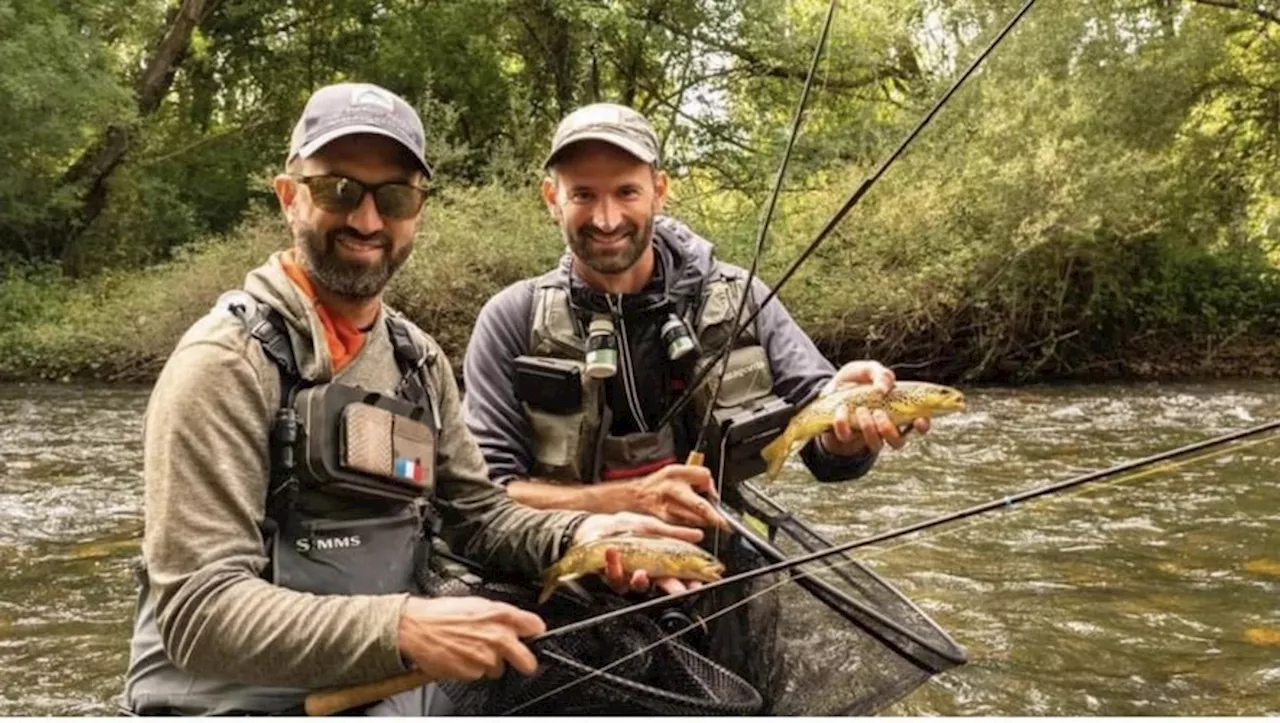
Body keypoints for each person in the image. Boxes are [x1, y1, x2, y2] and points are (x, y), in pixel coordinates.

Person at [120, 83, 706, 717]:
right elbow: (198, 612)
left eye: (393, 195)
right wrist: (405, 627)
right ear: (290, 198)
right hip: (234, 701)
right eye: (338, 190)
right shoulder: (224, 367)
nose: (367, 221)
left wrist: (583, 532)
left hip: (392, 679)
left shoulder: (417, 360)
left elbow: (481, 518)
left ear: (417, 211)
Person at [462, 102, 931, 529]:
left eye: (627, 192)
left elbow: (822, 445)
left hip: (711, 539)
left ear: (659, 191)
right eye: (583, 195)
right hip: (568, 548)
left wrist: (846, 438)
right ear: (552, 198)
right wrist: (631, 500)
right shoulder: (510, 319)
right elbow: (489, 494)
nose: (606, 219)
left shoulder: (741, 297)